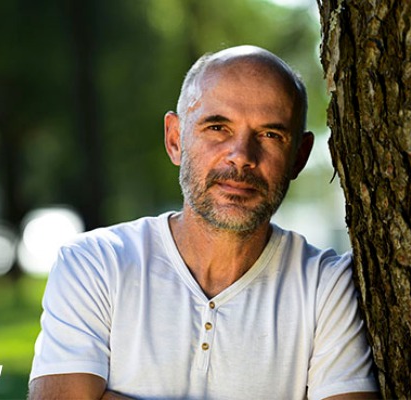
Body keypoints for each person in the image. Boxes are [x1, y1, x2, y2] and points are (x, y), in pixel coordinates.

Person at [28, 45, 379, 400]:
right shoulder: (95, 263)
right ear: (175, 140)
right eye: (218, 127)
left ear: (299, 157)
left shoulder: (326, 286)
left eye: (270, 135)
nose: (241, 156)